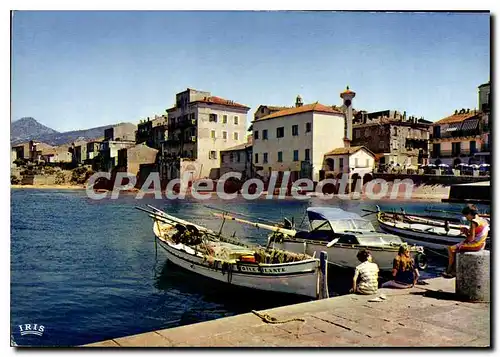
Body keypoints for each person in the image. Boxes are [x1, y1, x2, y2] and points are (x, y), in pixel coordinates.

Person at [442, 204, 489, 278]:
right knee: (455, 248)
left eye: (466, 216)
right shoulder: (483, 220)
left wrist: (465, 232)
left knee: (450, 249)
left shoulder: (474, 222)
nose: (466, 218)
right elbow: (476, 235)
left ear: (470, 214)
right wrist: (467, 231)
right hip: (482, 244)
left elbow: (471, 238)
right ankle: (452, 270)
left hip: (476, 245)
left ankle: (450, 270)